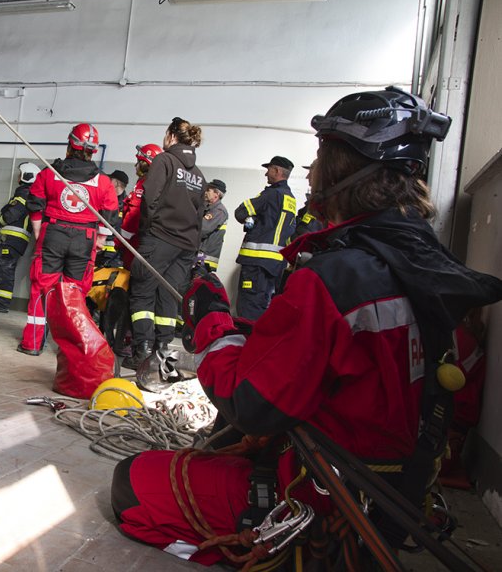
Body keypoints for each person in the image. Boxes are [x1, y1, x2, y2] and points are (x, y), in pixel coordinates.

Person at [110, 87, 502, 567]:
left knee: (133, 484)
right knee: (224, 445)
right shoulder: (425, 267)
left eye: (320, 157)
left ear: (343, 169)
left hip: (320, 498)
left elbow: (249, 402)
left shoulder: (338, 278)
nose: (311, 171)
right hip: (389, 497)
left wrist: (212, 320)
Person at [17, 123, 120, 355]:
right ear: (93, 150)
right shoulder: (103, 182)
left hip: (53, 234)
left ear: (69, 144)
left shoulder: (49, 174)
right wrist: (100, 239)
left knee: (42, 288)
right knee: (76, 294)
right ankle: (72, 349)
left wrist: (38, 231)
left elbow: (34, 204)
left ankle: (32, 343)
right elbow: (110, 214)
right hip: (84, 239)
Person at [123, 118, 207, 370]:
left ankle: (143, 351)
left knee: (142, 292)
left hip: (160, 238)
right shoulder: (199, 175)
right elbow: (199, 213)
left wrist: (149, 232)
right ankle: (162, 353)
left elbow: (150, 199)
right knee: (168, 298)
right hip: (186, 246)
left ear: (171, 136)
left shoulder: (164, 160)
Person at [233, 155, 297, 320]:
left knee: (248, 306)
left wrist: (250, 219)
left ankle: (247, 344)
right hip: (276, 265)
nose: (266, 174)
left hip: (256, 262)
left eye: (268, 170)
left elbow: (240, 212)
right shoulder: (291, 199)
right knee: (263, 305)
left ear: (276, 171)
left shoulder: (270, 195)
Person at [0, 162, 39, 313]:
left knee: (5, 269)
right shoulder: (27, 194)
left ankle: (1, 303)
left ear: (27, 176)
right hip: (10, 240)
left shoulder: (25, 194)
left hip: (14, 240)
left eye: (21, 174)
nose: (19, 176)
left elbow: (12, 214)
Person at [118, 144, 163, 270]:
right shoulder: (157, 183)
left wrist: (121, 243)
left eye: (138, 161)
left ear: (144, 163)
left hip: (135, 244)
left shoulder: (144, 184)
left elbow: (133, 215)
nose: (135, 165)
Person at [95, 169, 129, 269]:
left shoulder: (127, 204)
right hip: (97, 251)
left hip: (115, 257)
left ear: (116, 183)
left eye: (110, 179)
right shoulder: (103, 198)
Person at [196, 179, 228, 273]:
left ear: (216, 194)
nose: (205, 192)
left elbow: (202, 229)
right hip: (199, 257)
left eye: (208, 190)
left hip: (204, 260)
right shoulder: (207, 208)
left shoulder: (219, 211)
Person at [290, 161, 326, 242]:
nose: (307, 177)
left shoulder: (320, 204)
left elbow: (306, 234)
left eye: (311, 172)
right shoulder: (316, 202)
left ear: (320, 175)